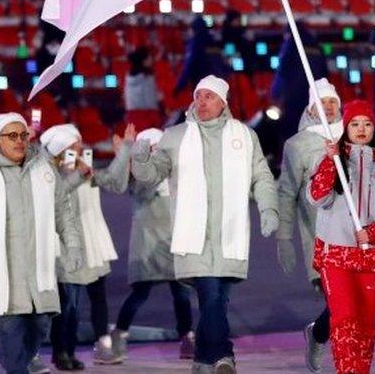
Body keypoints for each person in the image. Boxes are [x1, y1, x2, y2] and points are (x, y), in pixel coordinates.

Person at [131, 75, 279, 373]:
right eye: (198, 96)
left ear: (223, 101)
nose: (201, 102)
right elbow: (150, 176)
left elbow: (261, 176)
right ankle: (224, 356)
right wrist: (139, 157)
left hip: (230, 233)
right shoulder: (175, 136)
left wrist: (269, 208)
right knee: (210, 294)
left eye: (209, 96)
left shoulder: (244, 136)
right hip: (192, 236)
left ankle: (202, 359)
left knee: (218, 300)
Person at [0, 113, 84, 374]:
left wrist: (74, 245)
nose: (19, 141)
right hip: (5, 281)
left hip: (39, 276)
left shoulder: (45, 171)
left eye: (22, 135)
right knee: (12, 339)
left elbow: (62, 213)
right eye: (12, 136)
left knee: (39, 328)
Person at [307, 100, 375, 374]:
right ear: (345, 128)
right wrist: (330, 161)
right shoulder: (333, 161)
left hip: (371, 256)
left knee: (364, 324)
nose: (362, 129)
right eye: (355, 124)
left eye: (367, 124)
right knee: (345, 320)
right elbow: (316, 197)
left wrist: (374, 233)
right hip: (336, 254)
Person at [41, 123, 131, 370]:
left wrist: (123, 153)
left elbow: (116, 184)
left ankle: (76, 350)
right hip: (67, 245)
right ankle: (61, 352)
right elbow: (57, 196)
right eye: (72, 145)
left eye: (78, 143)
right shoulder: (50, 172)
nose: (78, 147)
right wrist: (79, 174)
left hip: (93, 242)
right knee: (68, 305)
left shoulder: (84, 167)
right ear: (60, 149)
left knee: (84, 301)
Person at [108, 128, 195, 363]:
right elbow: (135, 182)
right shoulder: (138, 178)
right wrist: (125, 155)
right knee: (141, 292)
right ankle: (119, 335)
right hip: (147, 242)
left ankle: (187, 337)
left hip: (171, 240)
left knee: (181, 292)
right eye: (153, 148)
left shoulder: (174, 174)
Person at [274, 78, 342, 372]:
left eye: (332, 102)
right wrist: (284, 238)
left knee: (353, 303)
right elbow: (287, 193)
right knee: (340, 301)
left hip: (359, 234)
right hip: (322, 237)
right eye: (321, 103)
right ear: (311, 109)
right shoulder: (297, 145)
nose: (327, 108)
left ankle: (319, 333)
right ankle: (328, 344)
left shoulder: (356, 133)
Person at [124, 47, 163, 131]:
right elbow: (150, 100)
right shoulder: (148, 78)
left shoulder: (128, 78)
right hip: (148, 116)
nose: (151, 60)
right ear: (144, 60)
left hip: (132, 116)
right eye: (149, 57)